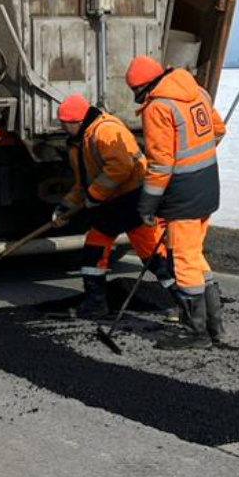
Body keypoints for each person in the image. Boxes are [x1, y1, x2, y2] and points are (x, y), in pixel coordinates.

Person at [126, 55, 227, 349]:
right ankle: (215, 328)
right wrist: (197, 155)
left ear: (141, 88)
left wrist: (147, 205)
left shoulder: (158, 107)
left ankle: (195, 333)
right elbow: (218, 130)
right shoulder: (197, 91)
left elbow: (160, 165)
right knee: (194, 255)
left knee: (183, 260)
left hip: (183, 194)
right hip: (208, 185)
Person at [53, 94, 175, 318]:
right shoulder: (79, 142)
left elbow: (121, 168)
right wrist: (65, 207)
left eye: (64, 123)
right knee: (130, 248)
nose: (61, 127)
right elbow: (84, 184)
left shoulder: (104, 131)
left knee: (117, 245)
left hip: (133, 197)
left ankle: (184, 303)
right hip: (117, 200)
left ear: (77, 122)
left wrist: (96, 195)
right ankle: (185, 302)